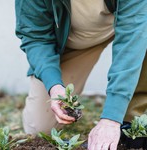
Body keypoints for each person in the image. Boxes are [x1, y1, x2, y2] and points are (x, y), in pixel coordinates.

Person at [15, 0, 147, 149]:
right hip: (74, 41)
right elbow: (35, 37)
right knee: (39, 127)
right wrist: (54, 86)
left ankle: (130, 118)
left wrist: (111, 118)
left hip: (131, 25)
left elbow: (132, 42)